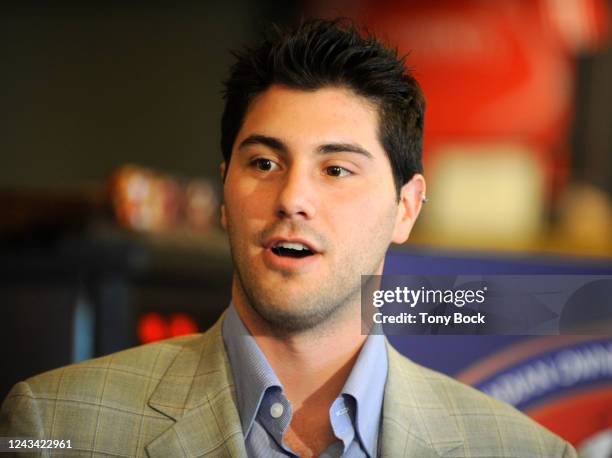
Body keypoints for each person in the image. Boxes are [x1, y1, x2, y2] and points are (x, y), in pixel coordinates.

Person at [0, 19, 576, 458]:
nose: (292, 197)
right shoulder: (56, 426)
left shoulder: (524, 450)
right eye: (265, 163)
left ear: (406, 207)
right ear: (225, 193)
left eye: (336, 170)